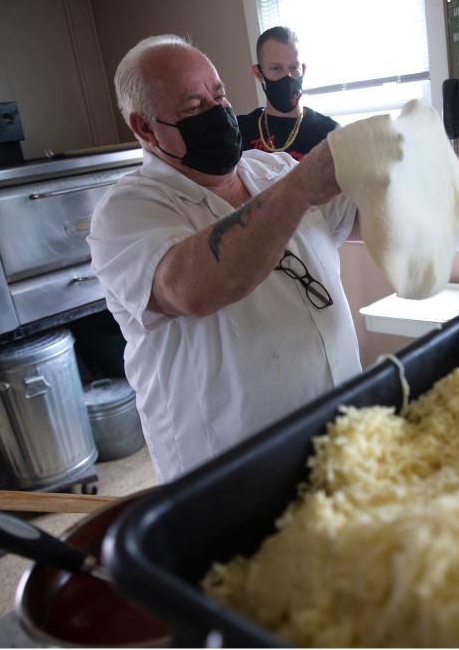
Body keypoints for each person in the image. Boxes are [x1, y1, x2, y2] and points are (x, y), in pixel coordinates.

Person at [88, 34, 361, 484]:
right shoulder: (127, 212)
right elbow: (192, 289)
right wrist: (304, 184)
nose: (217, 113)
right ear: (145, 128)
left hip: (339, 443)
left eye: (219, 95)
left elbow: (363, 220)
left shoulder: (271, 169)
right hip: (228, 473)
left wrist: (396, 171)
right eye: (193, 108)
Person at [238, 26, 338, 160]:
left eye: (293, 68)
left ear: (303, 70)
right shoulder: (240, 130)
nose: (288, 76)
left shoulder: (329, 133)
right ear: (258, 73)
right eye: (276, 68)